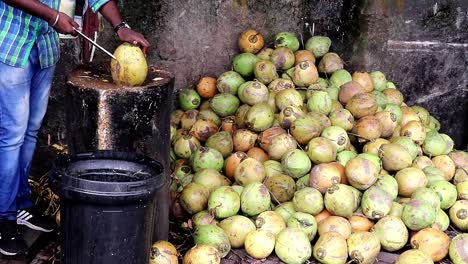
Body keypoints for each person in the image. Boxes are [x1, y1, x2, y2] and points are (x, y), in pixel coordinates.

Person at [0, 0, 150, 256]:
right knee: (12, 136)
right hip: (11, 46)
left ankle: (21, 205)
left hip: (43, 47)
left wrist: (120, 26)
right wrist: (52, 16)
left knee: (31, 131)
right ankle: (4, 220)